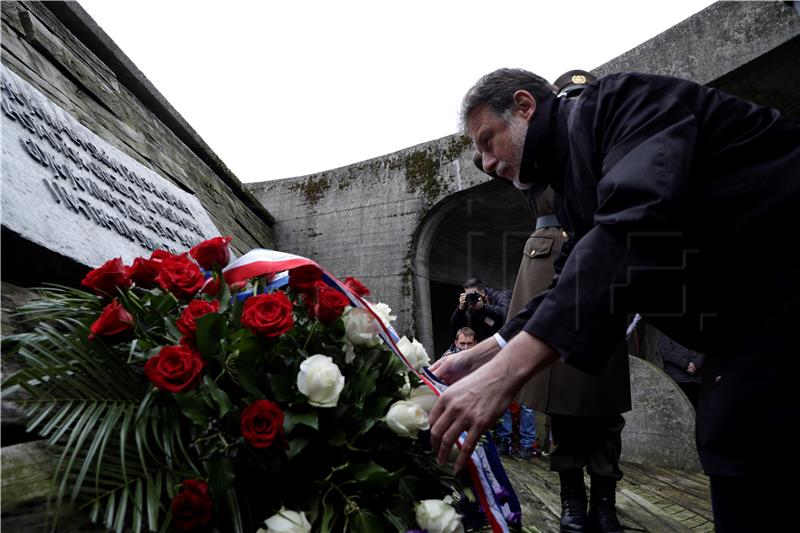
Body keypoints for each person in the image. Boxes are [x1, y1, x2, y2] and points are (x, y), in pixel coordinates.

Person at [429, 68, 800, 533]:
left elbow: (632, 228)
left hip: (780, 299)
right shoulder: (571, 183)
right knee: (734, 453)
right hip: (746, 329)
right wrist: (486, 354)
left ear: (525, 107)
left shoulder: (626, 102)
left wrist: (503, 376)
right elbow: (568, 281)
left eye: (487, 141)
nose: (485, 163)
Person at [472, 70, 631, 533]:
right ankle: (572, 500)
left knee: (603, 395)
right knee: (560, 395)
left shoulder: (609, 141)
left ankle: (604, 498)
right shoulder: (531, 156)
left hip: (605, 264)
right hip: (550, 261)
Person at [657, 332, 705, 410]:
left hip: (696, 381)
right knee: (677, 411)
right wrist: (686, 365)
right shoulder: (665, 335)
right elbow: (666, 352)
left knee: (697, 414)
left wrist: (696, 364)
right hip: (676, 381)